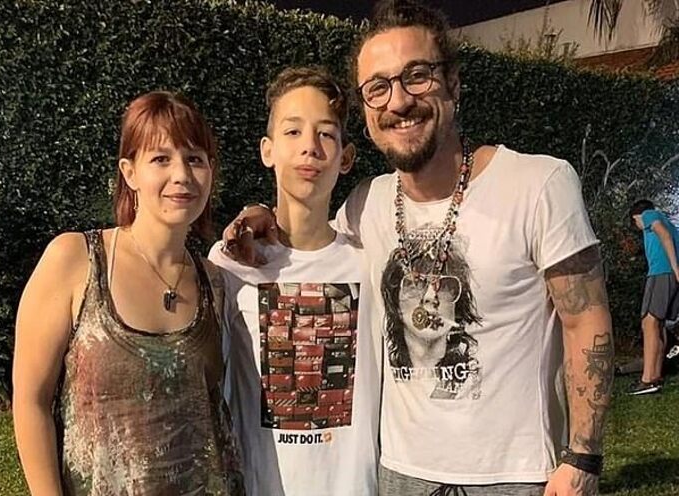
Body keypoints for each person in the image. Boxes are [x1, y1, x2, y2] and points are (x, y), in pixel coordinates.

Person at [222, 1, 614, 495]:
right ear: (367, 110)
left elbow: (586, 318)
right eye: (378, 87)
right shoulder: (367, 203)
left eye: (418, 75)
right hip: (400, 475)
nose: (399, 101)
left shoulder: (538, 183)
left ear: (453, 83)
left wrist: (582, 457)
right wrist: (260, 215)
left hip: (514, 477)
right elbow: (306, 240)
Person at [12, 91, 244, 495]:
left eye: (195, 159)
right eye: (161, 158)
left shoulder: (216, 280)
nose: (181, 175)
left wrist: (259, 214)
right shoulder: (76, 260)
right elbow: (31, 401)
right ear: (130, 172)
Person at [208, 67, 382, 496]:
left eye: (326, 133)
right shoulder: (231, 262)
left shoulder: (370, 261)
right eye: (292, 131)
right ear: (267, 150)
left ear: (346, 158)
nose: (309, 146)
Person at [628, 199, 679, 395]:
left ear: (636, 217)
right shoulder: (670, 222)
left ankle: (648, 380)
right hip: (667, 275)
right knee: (658, 324)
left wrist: (675, 269)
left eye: (635, 224)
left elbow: (663, 234)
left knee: (649, 322)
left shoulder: (649, 215)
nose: (638, 228)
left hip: (661, 273)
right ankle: (655, 376)